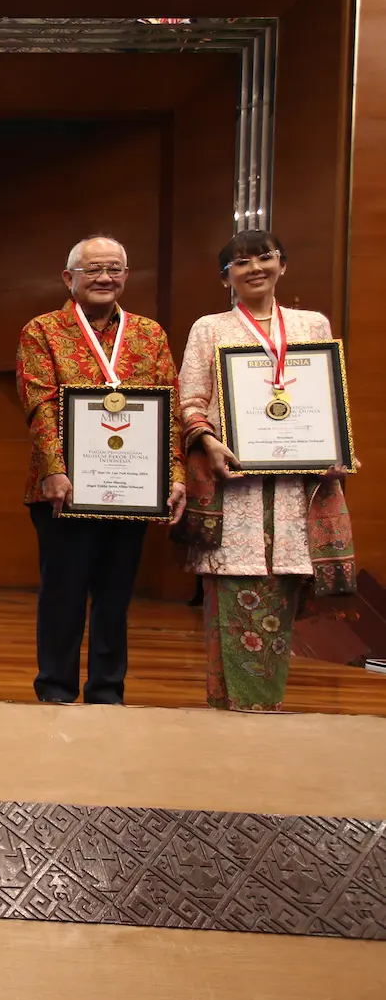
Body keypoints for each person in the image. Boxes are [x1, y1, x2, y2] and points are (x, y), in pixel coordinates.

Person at [177, 230, 354, 712]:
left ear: (282, 265)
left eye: (264, 257)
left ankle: (265, 710)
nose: (254, 267)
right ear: (226, 277)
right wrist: (209, 442)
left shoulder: (311, 324)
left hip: (299, 489)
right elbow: (189, 400)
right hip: (234, 490)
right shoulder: (209, 328)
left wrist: (334, 446)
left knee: (281, 597)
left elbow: (326, 399)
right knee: (232, 593)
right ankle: (231, 709)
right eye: (240, 262)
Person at [16, 236, 187, 703]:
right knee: (63, 595)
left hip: (132, 485)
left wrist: (174, 474)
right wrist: (54, 468)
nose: (105, 277)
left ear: (126, 277)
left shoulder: (149, 333)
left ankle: (108, 692)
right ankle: (54, 689)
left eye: (114, 268)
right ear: (69, 278)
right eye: (93, 269)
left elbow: (168, 409)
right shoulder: (42, 330)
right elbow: (39, 403)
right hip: (62, 488)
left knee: (115, 599)